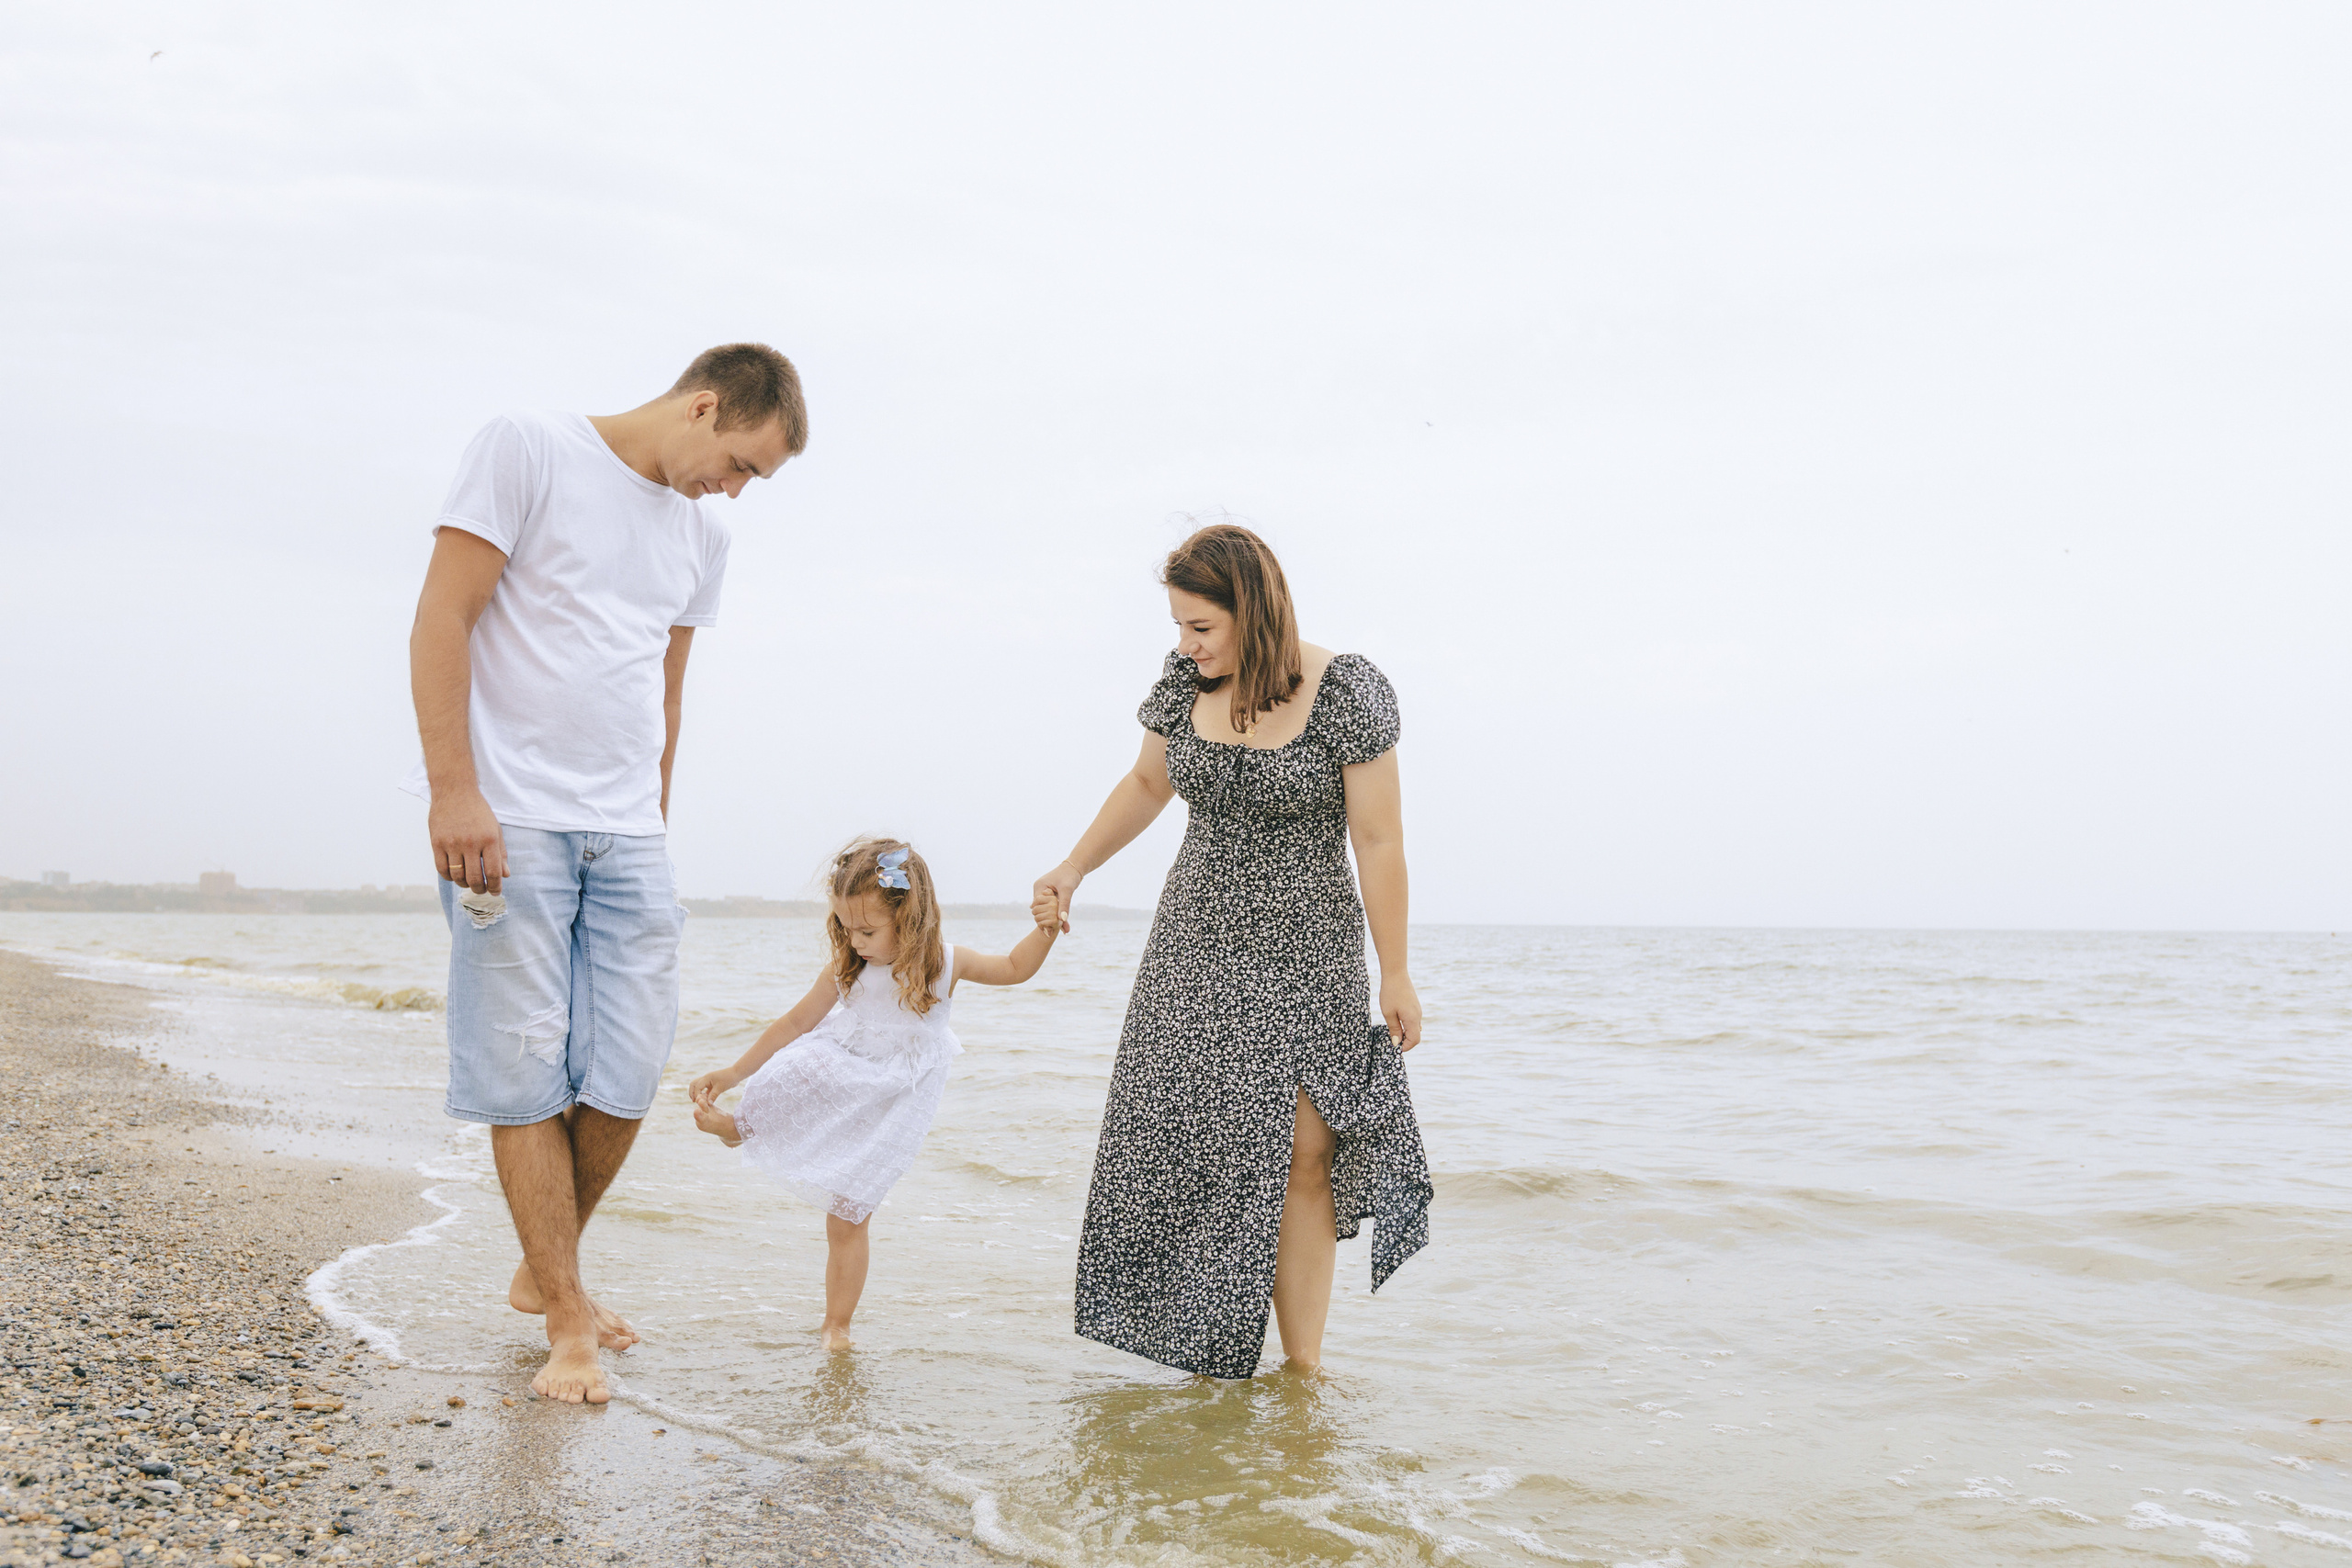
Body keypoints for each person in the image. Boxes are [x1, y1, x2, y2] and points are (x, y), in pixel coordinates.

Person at [404, 343, 808, 1404]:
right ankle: (567, 1315)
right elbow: (442, 615)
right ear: (704, 405)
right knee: (524, 1069)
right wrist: (455, 790)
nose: (736, 490)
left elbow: (663, 689)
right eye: (741, 464)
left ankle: (547, 1276)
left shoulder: (702, 533)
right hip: (511, 817)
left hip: (627, 833)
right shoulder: (528, 448)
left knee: (628, 1076)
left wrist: (655, 818)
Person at [1033, 522, 1433, 1380]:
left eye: (1200, 628)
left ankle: (1304, 1367)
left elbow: (1381, 840)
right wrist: (1073, 866)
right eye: (1178, 626)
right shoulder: (1183, 685)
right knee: (1187, 1138)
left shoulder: (1346, 690)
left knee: (1303, 1149)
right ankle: (1201, 1349)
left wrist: (1395, 969)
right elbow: (1147, 784)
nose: (1185, 644)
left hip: (1309, 950)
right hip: (1195, 943)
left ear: (1253, 612)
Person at [687, 838, 1061, 1349]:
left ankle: (836, 1326)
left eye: (867, 929)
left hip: (893, 1102)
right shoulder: (849, 970)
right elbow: (795, 1023)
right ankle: (742, 1126)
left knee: (848, 1213)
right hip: (847, 1071)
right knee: (798, 1062)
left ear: (908, 917)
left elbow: (1016, 968)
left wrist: (1045, 929)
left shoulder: (947, 965)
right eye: (845, 926)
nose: (854, 939)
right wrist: (733, 1072)